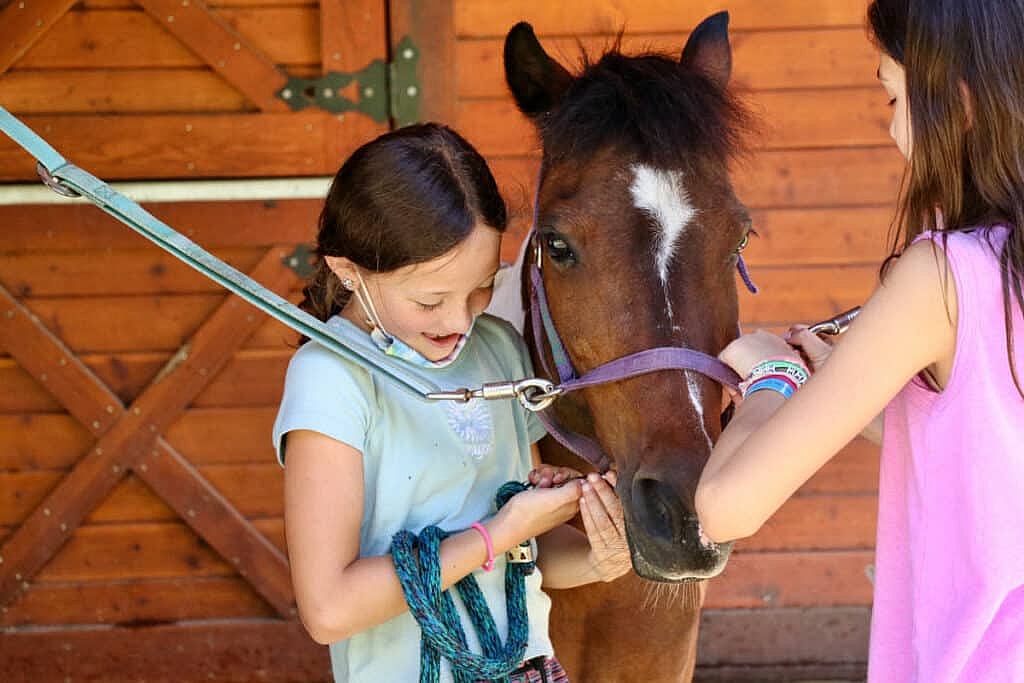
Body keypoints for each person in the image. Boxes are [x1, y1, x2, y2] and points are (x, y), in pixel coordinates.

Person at [694, 0, 1024, 680]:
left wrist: (773, 379)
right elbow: (981, 441)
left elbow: (727, 506)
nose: (894, 129)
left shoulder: (941, 277)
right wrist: (848, 383)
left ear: (957, 103)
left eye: (896, 97)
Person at [272, 123, 630, 682]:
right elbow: (329, 610)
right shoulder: (330, 379)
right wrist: (503, 530)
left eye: (482, 287)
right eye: (430, 300)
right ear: (348, 270)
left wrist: (597, 557)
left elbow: (525, 553)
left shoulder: (498, 350)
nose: (460, 321)